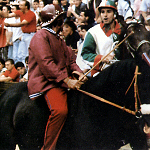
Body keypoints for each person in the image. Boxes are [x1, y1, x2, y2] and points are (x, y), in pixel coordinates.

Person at [28, 4, 86, 150]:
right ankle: (48, 148)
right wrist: (67, 80)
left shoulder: (59, 38)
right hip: (46, 82)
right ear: (56, 21)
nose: (63, 23)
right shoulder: (40, 36)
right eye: (61, 20)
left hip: (59, 80)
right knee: (61, 111)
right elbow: (47, 64)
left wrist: (79, 73)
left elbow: (71, 60)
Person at [81, 0, 122, 77]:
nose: (105, 15)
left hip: (121, 72)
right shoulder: (93, 32)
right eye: (103, 12)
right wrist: (102, 58)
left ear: (114, 13)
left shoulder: (123, 30)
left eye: (108, 11)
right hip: (101, 74)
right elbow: (85, 55)